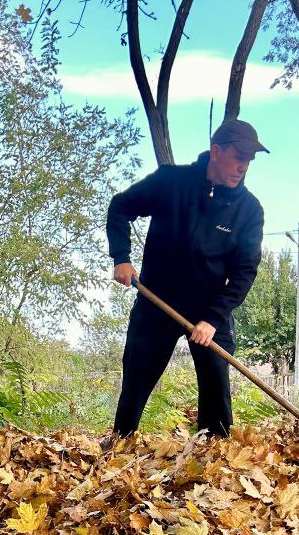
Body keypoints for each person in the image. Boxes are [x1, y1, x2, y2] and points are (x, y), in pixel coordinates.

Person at [105, 118, 266, 443]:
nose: (243, 167)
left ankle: (218, 452)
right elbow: (121, 206)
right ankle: (120, 444)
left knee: (215, 383)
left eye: (249, 160)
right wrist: (121, 257)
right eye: (239, 157)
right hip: (156, 299)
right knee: (136, 377)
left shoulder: (248, 210)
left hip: (209, 307)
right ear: (217, 151)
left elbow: (245, 271)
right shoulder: (171, 183)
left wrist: (212, 319)